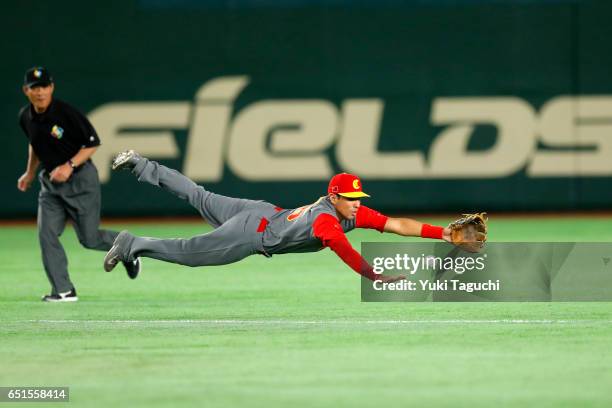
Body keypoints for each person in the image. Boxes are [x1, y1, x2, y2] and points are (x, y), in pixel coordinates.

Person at [104, 150, 454, 283]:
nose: (357, 204)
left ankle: (141, 164)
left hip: (259, 211)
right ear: (334, 197)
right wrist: (372, 274)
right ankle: (132, 243)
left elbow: (396, 224)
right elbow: (341, 248)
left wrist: (444, 234)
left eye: (358, 199)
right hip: (251, 233)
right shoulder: (327, 219)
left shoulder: (348, 212)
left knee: (198, 194)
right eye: (350, 199)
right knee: (190, 253)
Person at [17, 67, 140, 302]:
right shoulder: (25, 116)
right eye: (34, 88)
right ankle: (63, 290)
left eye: (44, 86)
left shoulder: (66, 113)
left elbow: (92, 143)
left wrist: (69, 166)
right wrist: (29, 173)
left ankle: (129, 248)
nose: (40, 92)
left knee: (89, 238)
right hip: (51, 185)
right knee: (46, 234)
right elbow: (35, 143)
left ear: (51, 87)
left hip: (81, 180)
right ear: (26, 91)